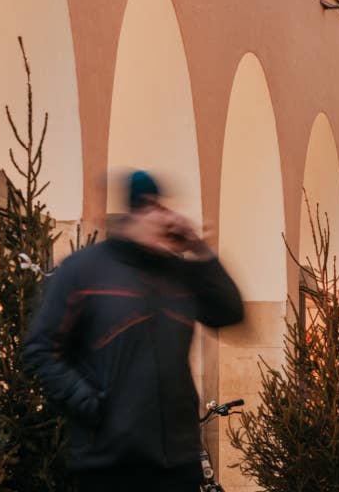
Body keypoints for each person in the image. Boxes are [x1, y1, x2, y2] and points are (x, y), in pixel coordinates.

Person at [23, 170, 244, 492]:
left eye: (162, 208)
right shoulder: (84, 271)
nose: (160, 218)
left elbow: (229, 312)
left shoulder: (178, 274)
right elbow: (40, 351)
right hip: (109, 463)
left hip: (178, 462)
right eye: (149, 209)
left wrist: (200, 250)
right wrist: (94, 406)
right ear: (132, 216)